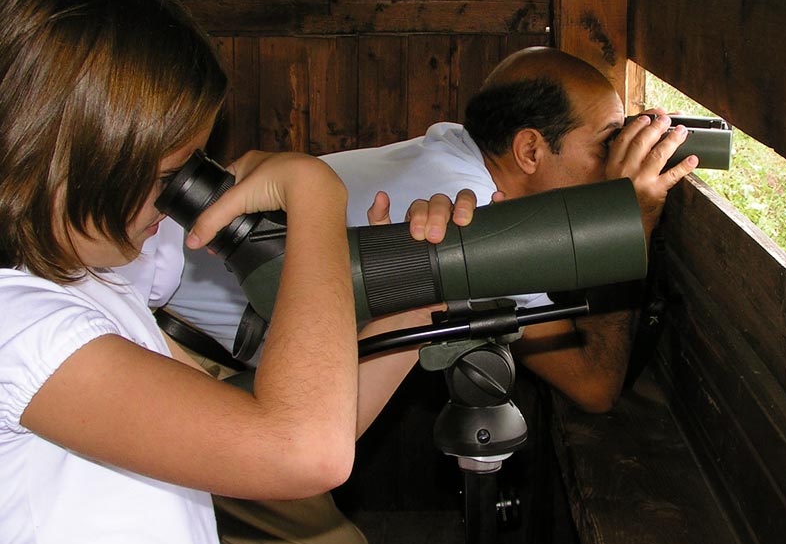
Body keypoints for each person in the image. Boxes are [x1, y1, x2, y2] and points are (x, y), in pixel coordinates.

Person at [0, 0, 475, 544]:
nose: (178, 199)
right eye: (165, 178)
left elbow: (313, 424)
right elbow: (303, 450)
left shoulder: (93, 291)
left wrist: (414, 293)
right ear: (75, 156)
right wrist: (314, 195)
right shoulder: (20, 327)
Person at [167, 46, 696, 414]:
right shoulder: (470, 216)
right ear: (530, 149)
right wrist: (631, 221)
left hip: (218, 345)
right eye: (607, 143)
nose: (614, 161)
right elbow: (594, 384)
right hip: (191, 368)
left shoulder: (452, 150)